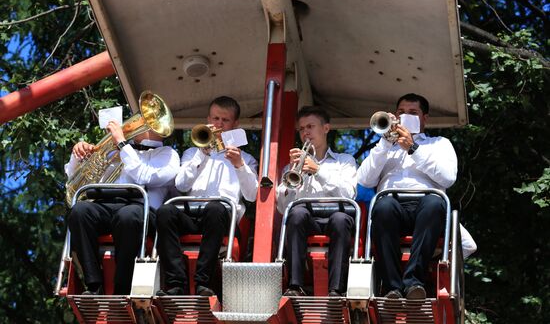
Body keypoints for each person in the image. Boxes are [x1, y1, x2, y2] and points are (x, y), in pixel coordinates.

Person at [358, 93, 471, 300]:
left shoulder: (439, 143)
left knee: (434, 203)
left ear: (424, 118)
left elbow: (447, 178)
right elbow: (364, 180)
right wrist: (384, 143)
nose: (405, 116)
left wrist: (413, 148)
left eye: (412, 112)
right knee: (382, 208)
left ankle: (413, 283)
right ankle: (391, 287)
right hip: (393, 205)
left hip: (427, 206)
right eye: (400, 112)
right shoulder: (384, 147)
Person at [156, 96, 258, 296]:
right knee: (165, 211)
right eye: (215, 119)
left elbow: (252, 195)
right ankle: (176, 283)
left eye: (225, 120)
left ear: (235, 124)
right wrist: (202, 154)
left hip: (223, 218)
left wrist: (239, 165)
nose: (218, 124)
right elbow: (181, 184)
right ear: (208, 119)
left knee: (215, 208)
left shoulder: (246, 159)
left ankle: (203, 282)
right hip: (192, 213)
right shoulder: (192, 153)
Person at [67, 121, 180, 295]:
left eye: (145, 121)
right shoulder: (116, 150)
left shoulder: (168, 155)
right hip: (106, 205)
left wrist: (122, 143)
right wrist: (79, 156)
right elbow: (77, 178)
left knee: (128, 216)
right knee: (80, 211)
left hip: (142, 209)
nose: (137, 123)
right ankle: (94, 285)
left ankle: (123, 287)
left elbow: (144, 176)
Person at [277, 106, 357, 297]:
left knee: (340, 219)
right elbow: (282, 208)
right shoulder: (293, 166)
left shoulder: (344, 161)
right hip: (307, 218)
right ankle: (296, 286)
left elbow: (348, 194)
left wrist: (318, 171)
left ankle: (336, 289)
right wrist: (291, 176)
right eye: (302, 128)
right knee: (295, 214)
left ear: (326, 128)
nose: (305, 132)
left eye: (310, 126)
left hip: (336, 215)